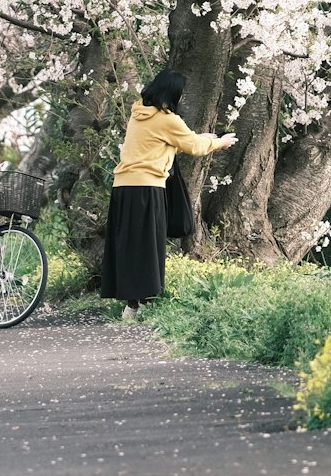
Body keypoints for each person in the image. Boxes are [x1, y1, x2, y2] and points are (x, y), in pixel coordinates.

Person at [100, 69, 236, 321]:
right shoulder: (167, 119)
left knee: (130, 246)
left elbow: (162, 144)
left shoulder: (138, 113)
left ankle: (132, 304)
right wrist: (219, 142)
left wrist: (202, 137)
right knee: (149, 246)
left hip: (123, 187)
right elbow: (193, 146)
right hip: (147, 188)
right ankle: (144, 303)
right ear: (172, 94)